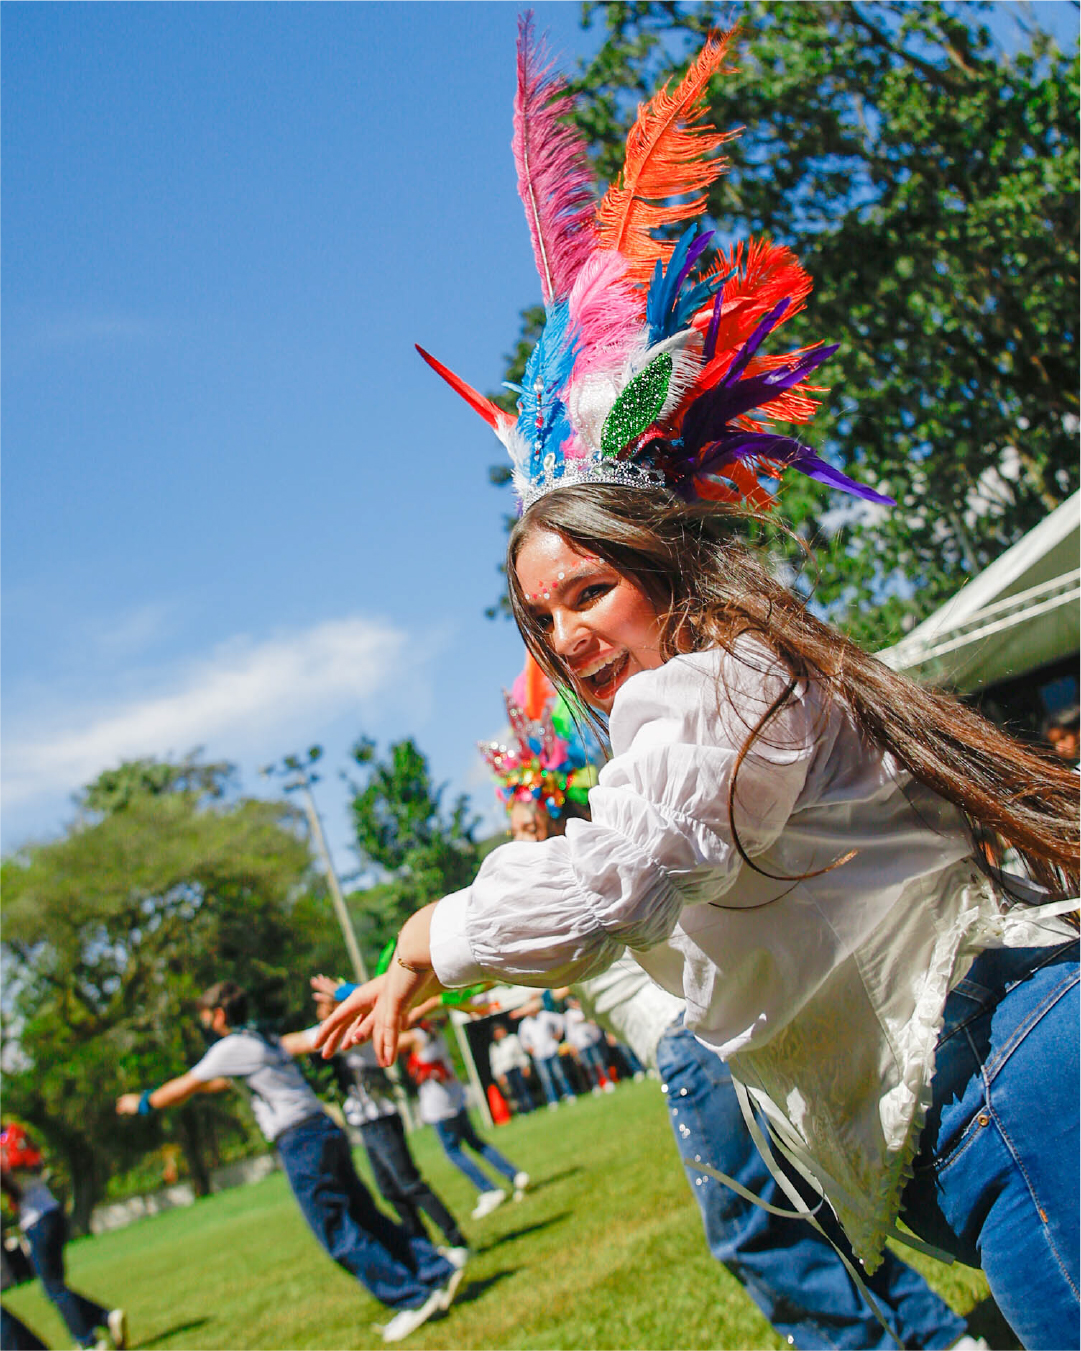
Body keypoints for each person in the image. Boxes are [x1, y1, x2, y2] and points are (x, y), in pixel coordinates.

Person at [317, 21, 1079, 1350]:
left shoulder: (717, 689)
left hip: (1014, 1103)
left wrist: (431, 933)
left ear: (663, 568)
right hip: (993, 1119)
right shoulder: (728, 693)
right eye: (539, 617)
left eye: (588, 591)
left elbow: (613, 884)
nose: (566, 637)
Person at [116, 981, 461, 1343]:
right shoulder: (261, 1038)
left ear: (218, 1016)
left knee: (335, 1231)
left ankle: (411, 1298)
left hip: (300, 1141)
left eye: (205, 1018)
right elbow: (216, 1083)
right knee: (364, 1215)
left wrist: (143, 1102)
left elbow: (186, 1084)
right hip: (323, 1129)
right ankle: (435, 1270)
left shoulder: (228, 1048)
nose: (204, 1027)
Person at [309, 978, 469, 1264]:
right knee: (390, 1190)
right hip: (364, 1120)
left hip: (380, 1116)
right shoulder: (341, 1030)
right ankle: (426, 1248)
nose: (323, 1013)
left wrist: (339, 1001)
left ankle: (456, 1239)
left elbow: (318, 1039)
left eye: (328, 1008)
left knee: (409, 1183)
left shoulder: (358, 1028)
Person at [0, 1125, 126, 1351]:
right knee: (55, 1286)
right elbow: (35, 1163)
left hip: (36, 1220)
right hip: (53, 1213)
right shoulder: (16, 1136)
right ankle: (105, 1318)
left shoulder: (5, 1148)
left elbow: (14, 1183)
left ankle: (88, 1341)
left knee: (54, 1288)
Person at [399, 1021, 529, 1220]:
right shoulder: (434, 1030)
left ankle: (488, 1189)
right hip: (455, 1097)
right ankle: (515, 1175)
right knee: (475, 1142)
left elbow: (388, 1041)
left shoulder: (415, 1036)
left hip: (439, 1105)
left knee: (453, 1151)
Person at [562, 999, 614, 1094]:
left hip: (593, 1040)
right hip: (581, 1043)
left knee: (600, 1062)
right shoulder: (569, 1015)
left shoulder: (585, 1008)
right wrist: (572, 1045)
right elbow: (570, 1031)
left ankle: (608, 1081)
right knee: (589, 1066)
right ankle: (595, 1085)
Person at [487, 1024, 535, 1115]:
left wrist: (525, 1065)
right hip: (506, 1072)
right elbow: (495, 1063)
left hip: (516, 1068)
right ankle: (522, 1110)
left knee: (522, 1088)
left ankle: (531, 1107)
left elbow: (520, 1054)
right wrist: (499, 1075)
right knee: (513, 1092)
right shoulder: (494, 1047)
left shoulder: (512, 1039)